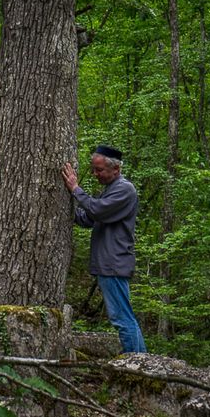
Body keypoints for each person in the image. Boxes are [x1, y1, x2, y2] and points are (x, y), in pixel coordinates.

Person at [62, 145, 147, 353]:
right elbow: (89, 218)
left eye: (99, 170)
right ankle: (142, 362)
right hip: (109, 263)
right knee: (124, 316)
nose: (95, 174)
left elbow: (97, 210)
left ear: (115, 169)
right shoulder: (110, 189)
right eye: (94, 169)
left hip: (114, 263)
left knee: (121, 318)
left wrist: (75, 189)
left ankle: (136, 366)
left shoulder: (125, 189)